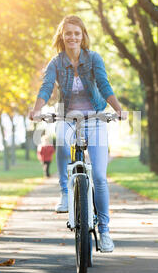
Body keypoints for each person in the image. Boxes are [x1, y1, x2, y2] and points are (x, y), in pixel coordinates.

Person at [29, 15, 125, 253]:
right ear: (62, 36)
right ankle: (64, 192)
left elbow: (103, 85)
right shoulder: (56, 63)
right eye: (68, 33)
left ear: (83, 37)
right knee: (61, 141)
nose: (72, 37)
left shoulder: (93, 59)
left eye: (77, 33)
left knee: (101, 178)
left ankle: (104, 231)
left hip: (95, 118)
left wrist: (118, 109)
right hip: (67, 117)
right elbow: (46, 86)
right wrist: (37, 109)